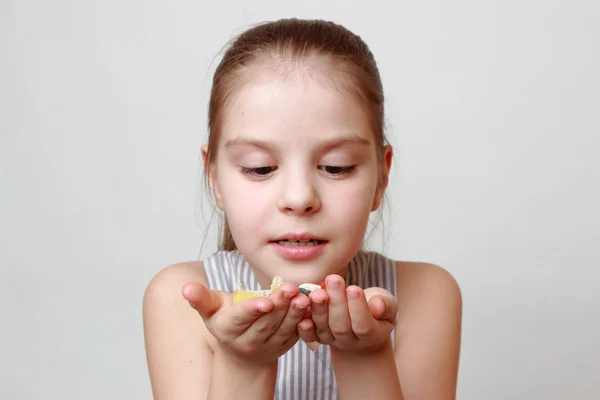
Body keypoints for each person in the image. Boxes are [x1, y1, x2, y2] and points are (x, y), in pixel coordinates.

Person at [143, 18, 462, 400]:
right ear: (215, 179)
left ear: (381, 177)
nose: (299, 198)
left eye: (336, 166)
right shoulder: (181, 300)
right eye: (260, 168)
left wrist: (366, 354)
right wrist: (244, 363)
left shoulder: (424, 295)